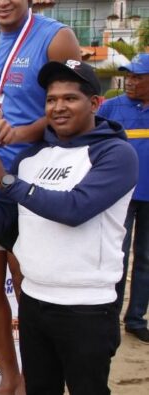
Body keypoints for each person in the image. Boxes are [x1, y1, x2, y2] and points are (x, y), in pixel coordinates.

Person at [0, 59, 136, 395]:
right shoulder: (32, 157)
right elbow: (1, 223)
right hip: (33, 301)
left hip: (87, 307)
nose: (58, 107)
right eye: (51, 99)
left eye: (70, 98)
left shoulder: (116, 154)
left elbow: (75, 210)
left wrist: (6, 181)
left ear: (94, 103)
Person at [0, 1, 81, 393]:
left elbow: (72, 104)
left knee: (27, 284)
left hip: (34, 180)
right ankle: (9, 376)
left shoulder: (56, 37)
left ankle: (37, 378)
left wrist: (22, 133)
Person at [100, 53, 149, 344]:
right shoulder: (110, 108)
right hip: (120, 197)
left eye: (138, 77)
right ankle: (109, 317)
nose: (130, 82)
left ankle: (135, 319)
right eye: (128, 76)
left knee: (145, 259)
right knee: (116, 257)